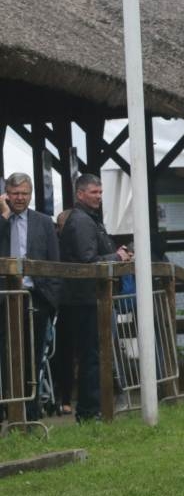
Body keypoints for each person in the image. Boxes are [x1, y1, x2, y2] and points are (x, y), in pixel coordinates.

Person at [58, 173, 133, 422]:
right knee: (93, 356)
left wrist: (114, 252)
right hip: (87, 299)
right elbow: (86, 262)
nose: (99, 197)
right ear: (80, 194)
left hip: (92, 298)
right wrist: (117, 258)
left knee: (97, 355)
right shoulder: (81, 221)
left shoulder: (89, 219)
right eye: (94, 192)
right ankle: (90, 411)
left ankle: (95, 408)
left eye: (100, 192)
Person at [0, 173, 62, 421]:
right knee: (5, 354)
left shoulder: (43, 222)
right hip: (4, 296)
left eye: (24, 193)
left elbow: (54, 261)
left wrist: (51, 300)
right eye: (15, 193)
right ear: (6, 194)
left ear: (31, 194)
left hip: (35, 296)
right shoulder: (2, 218)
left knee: (33, 355)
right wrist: (4, 215)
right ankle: (8, 407)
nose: (20, 198)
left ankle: (31, 410)